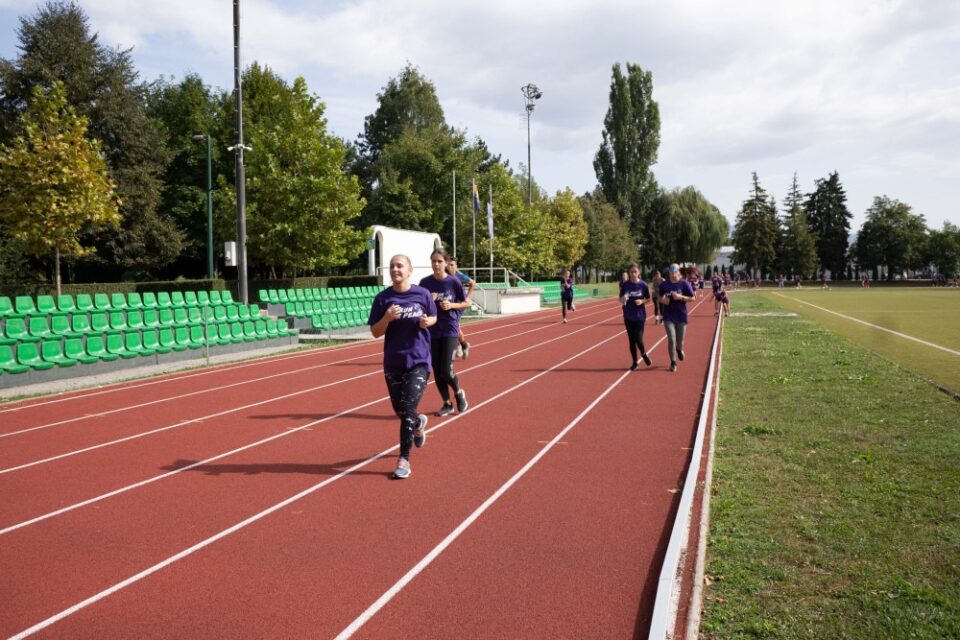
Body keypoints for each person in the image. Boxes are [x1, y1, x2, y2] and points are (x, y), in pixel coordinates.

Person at [368, 254, 437, 479]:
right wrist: (387, 318)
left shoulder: (422, 294)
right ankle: (418, 422)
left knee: (407, 410)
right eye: (392, 266)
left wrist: (428, 322)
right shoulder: (383, 299)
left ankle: (404, 459)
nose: (395, 269)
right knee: (400, 410)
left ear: (409, 270)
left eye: (400, 266)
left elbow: (433, 317)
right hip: (393, 361)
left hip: (418, 360)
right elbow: (375, 332)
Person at [420, 248, 470, 418]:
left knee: (446, 370)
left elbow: (465, 303)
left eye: (439, 261)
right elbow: (420, 304)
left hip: (450, 328)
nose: (436, 264)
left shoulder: (453, 282)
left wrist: (452, 305)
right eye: (434, 261)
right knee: (436, 369)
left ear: (446, 263)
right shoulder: (425, 283)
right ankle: (447, 403)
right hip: (432, 330)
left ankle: (458, 393)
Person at [659, 263, 695, 373]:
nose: (673, 275)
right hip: (668, 315)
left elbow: (693, 298)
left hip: (681, 315)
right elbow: (659, 297)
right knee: (671, 339)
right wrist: (663, 300)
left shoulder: (684, 284)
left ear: (678, 272)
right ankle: (673, 363)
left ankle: (679, 350)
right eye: (671, 273)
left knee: (680, 342)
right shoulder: (664, 285)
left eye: (675, 273)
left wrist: (681, 297)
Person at [620, 263, 652, 370]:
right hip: (628, 316)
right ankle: (635, 362)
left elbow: (648, 298)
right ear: (629, 273)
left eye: (635, 272)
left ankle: (643, 354)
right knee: (631, 341)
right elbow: (620, 298)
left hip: (639, 316)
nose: (633, 274)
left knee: (639, 339)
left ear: (639, 273)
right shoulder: (625, 285)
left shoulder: (643, 285)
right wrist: (623, 299)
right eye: (631, 272)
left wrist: (642, 301)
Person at [445, 256, 474, 359]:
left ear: (456, 266)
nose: (450, 267)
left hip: (459, 305)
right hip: (448, 305)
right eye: (448, 265)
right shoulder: (444, 277)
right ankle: (462, 345)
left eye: (452, 265)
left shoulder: (459, 277)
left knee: (454, 324)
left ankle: (459, 346)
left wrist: (468, 298)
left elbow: (472, 283)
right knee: (452, 325)